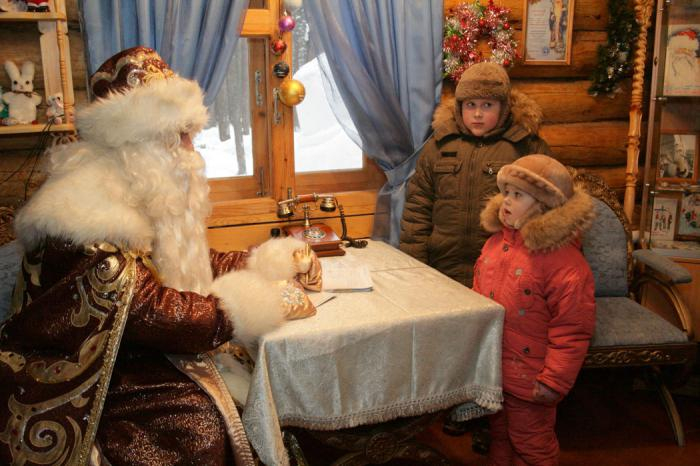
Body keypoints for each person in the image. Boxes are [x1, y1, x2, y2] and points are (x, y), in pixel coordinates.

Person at [0, 46, 311, 466]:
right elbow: (147, 310)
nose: (191, 146)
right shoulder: (85, 213)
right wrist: (253, 304)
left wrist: (266, 260)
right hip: (99, 378)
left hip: (143, 348)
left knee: (266, 383)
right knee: (194, 427)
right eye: (178, 135)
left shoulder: (140, 185)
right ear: (138, 141)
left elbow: (178, 265)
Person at [473, 154, 597, 465]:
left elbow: (572, 329)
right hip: (494, 372)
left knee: (532, 444)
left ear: (543, 205)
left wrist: (553, 380)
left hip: (532, 380)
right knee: (499, 435)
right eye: (506, 192)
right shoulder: (494, 245)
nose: (507, 201)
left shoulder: (564, 263)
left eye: (518, 195)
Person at [400, 61, 551, 288]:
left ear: (504, 107)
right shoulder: (439, 145)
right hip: (442, 268)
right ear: (460, 106)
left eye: (487, 105)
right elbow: (417, 209)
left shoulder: (526, 147)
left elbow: (550, 210)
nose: (478, 114)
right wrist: (415, 266)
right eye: (471, 104)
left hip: (503, 269)